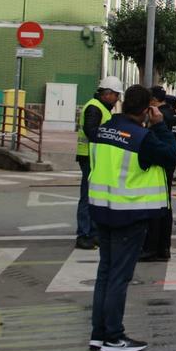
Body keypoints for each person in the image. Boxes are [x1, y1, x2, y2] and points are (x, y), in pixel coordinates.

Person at [87, 84, 176, 351]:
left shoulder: (102, 131)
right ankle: (114, 337)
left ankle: (99, 333)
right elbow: (172, 156)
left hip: (101, 209)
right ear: (146, 109)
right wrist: (160, 125)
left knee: (105, 273)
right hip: (128, 214)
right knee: (119, 276)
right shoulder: (141, 137)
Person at [76, 76, 124, 250]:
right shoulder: (95, 108)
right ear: (107, 93)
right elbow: (92, 132)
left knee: (95, 196)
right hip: (90, 157)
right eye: (116, 95)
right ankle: (84, 234)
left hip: (94, 157)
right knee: (88, 196)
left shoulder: (101, 107)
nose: (117, 98)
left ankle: (92, 233)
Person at [140, 86, 176, 262]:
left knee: (155, 208)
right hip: (170, 160)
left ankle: (152, 247)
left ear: (153, 100)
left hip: (159, 162)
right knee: (166, 206)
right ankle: (164, 247)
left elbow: (152, 139)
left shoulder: (158, 116)